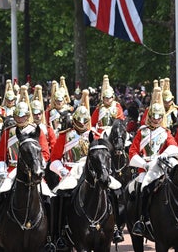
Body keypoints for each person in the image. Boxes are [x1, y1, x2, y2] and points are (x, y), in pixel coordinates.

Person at [0, 88, 52, 252]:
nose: (20, 119)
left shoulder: (36, 131)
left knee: (48, 197)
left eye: (23, 116)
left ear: (28, 116)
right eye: (18, 116)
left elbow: (45, 153)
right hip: (12, 169)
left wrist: (39, 166)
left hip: (34, 170)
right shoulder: (9, 131)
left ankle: (50, 238)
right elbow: (0, 155)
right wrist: (2, 169)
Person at [48, 90, 123, 248]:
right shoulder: (64, 136)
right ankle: (59, 233)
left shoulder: (96, 135)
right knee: (59, 195)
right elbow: (54, 159)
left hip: (93, 170)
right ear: (74, 120)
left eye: (84, 121)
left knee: (115, 189)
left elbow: (104, 155)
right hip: (71, 171)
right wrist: (62, 171)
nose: (82, 124)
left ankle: (116, 227)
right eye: (79, 121)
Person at [129, 86, 178, 237]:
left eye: (159, 117)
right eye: (154, 117)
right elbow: (132, 152)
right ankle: (141, 219)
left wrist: (164, 155)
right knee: (142, 187)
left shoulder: (165, 132)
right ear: (149, 116)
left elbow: (174, 146)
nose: (156, 119)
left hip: (161, 167)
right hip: (145, 168)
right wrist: (143, 164)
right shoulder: (141, 132)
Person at [32, 84, 57, 152]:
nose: (37, 116)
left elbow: (53, 146)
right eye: (35, 114)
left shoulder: (48, 129)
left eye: (39, 113)